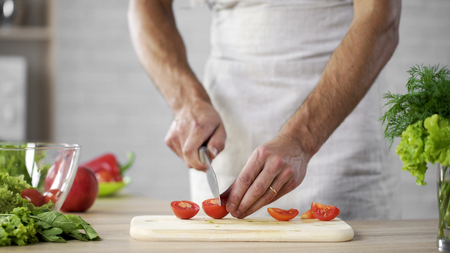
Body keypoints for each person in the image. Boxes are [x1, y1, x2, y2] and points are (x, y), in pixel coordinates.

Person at [128, 0, 402, 220]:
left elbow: (381, 15)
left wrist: (302, 139)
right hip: (228, 139)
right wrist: (186, 100)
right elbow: (147, 5)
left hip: (338, 127)